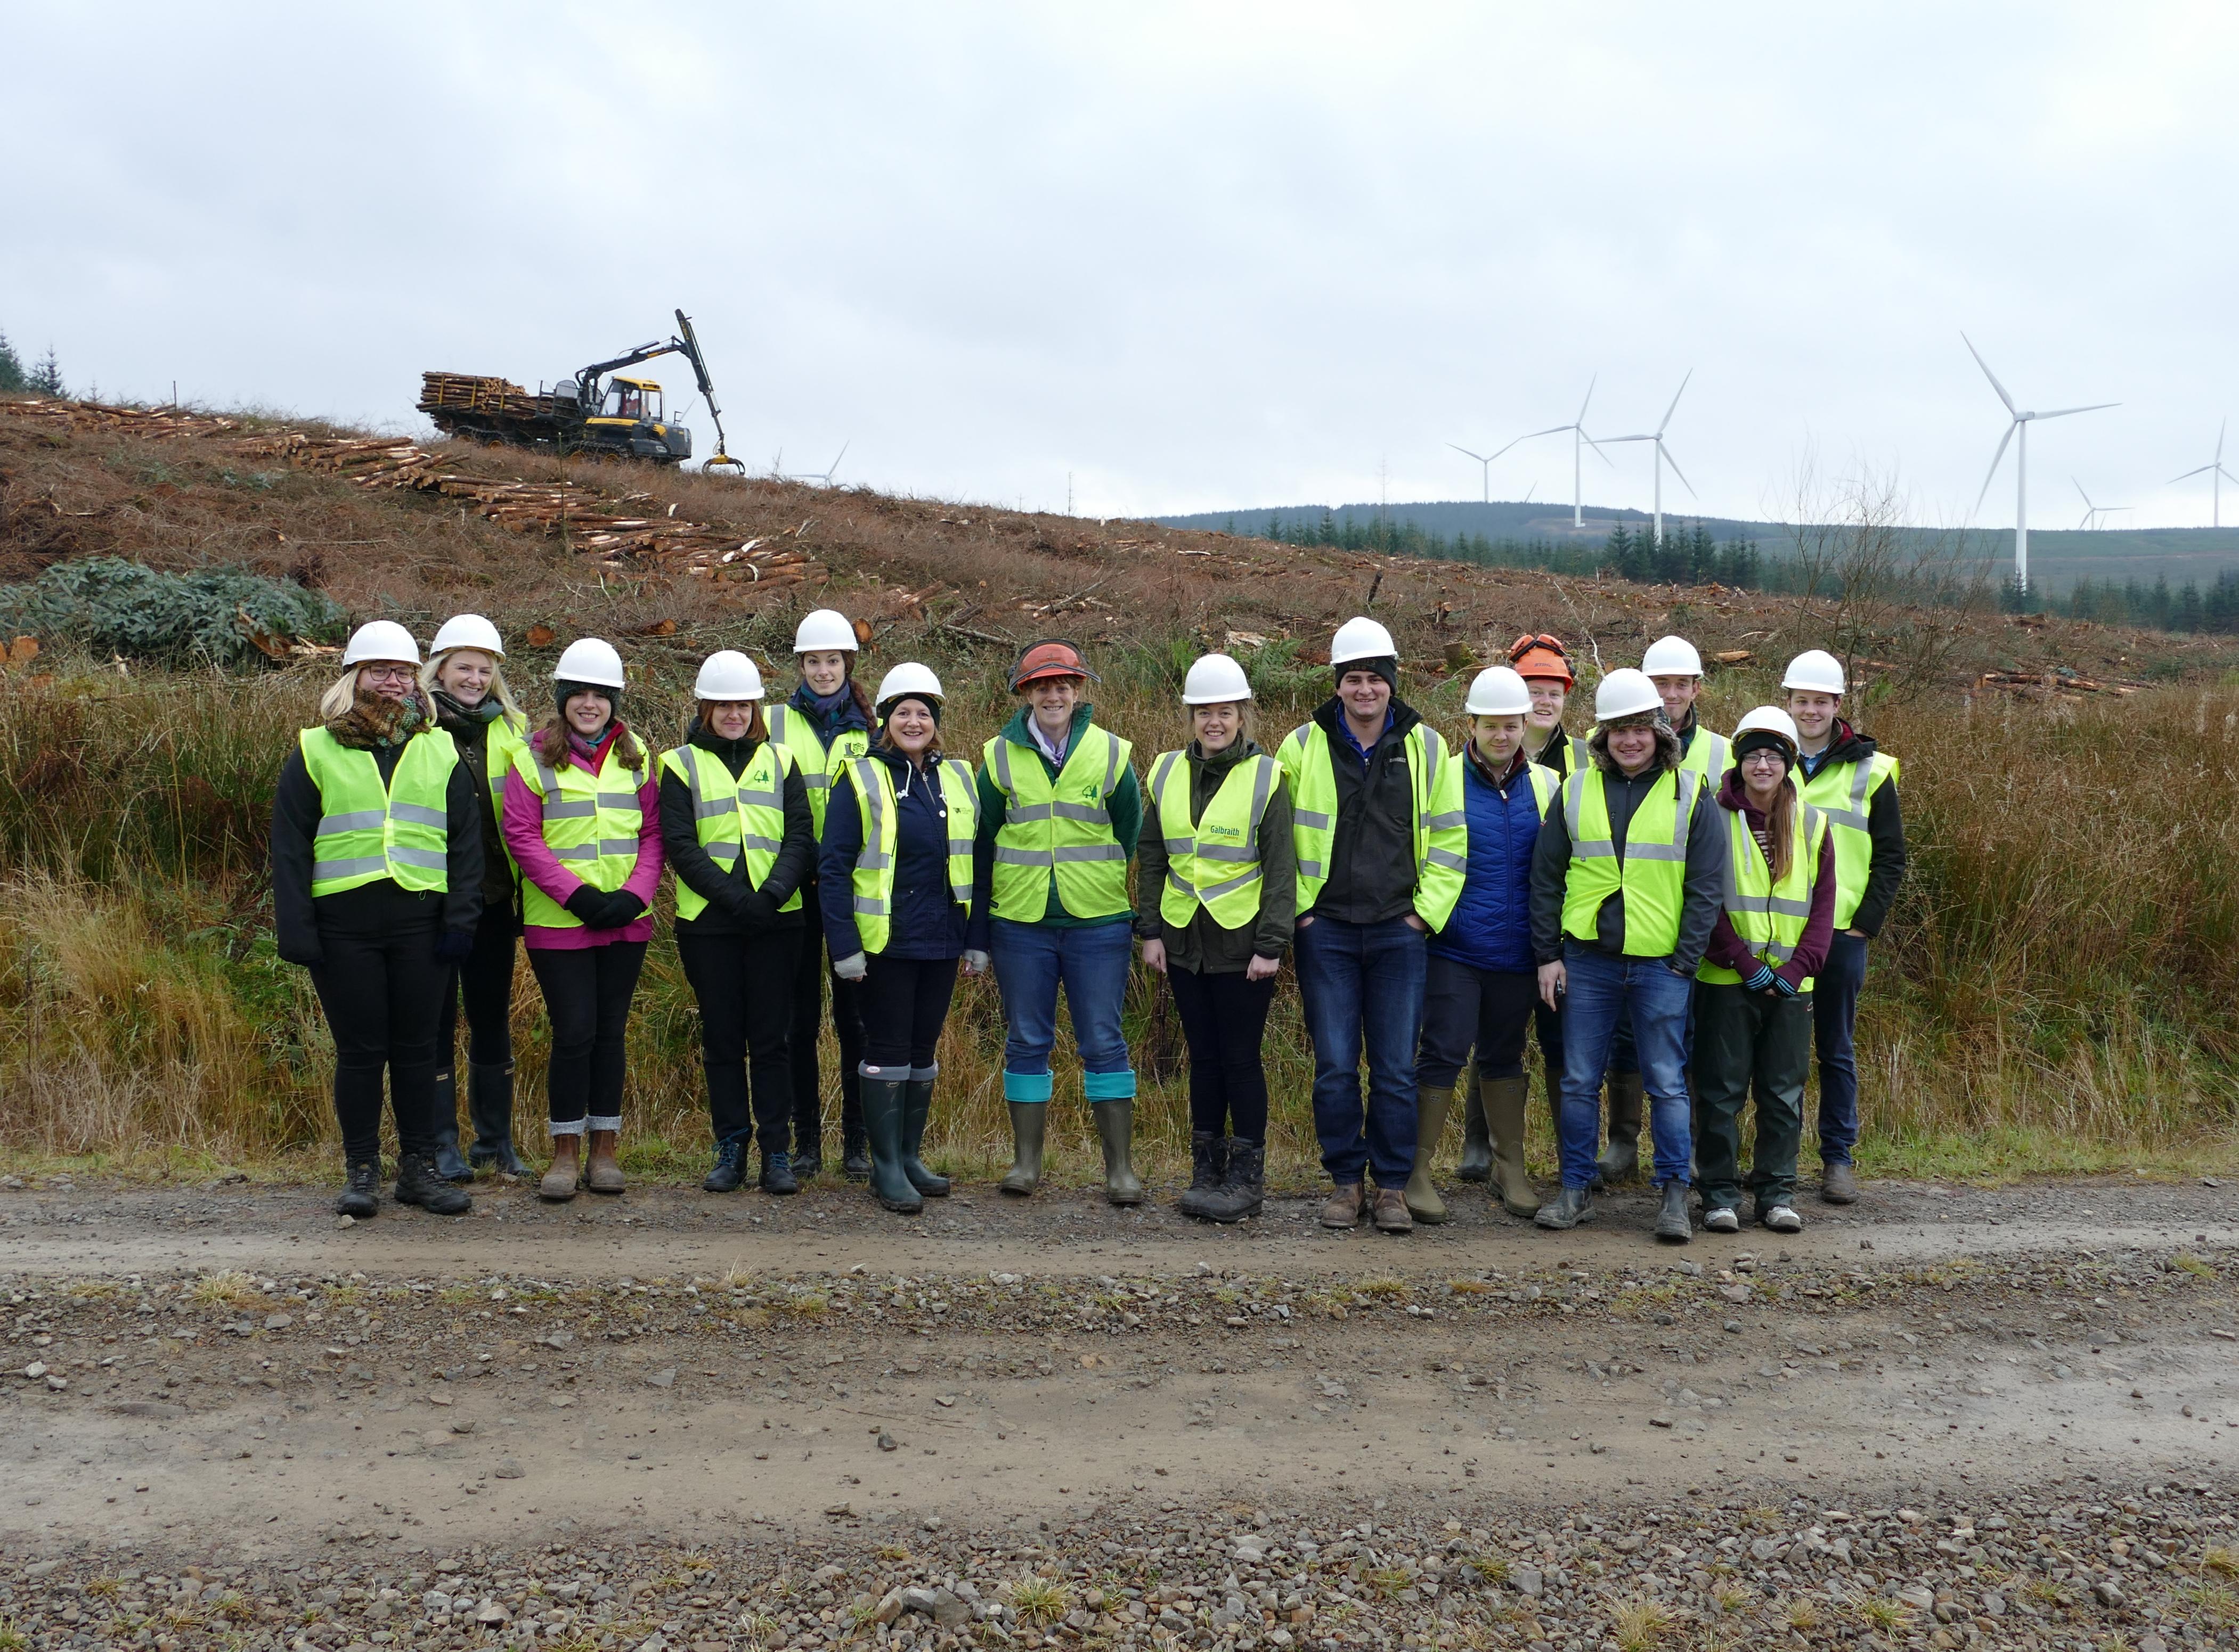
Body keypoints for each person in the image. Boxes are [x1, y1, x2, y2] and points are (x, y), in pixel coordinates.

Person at [270, 619, 481, 1218]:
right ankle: (361, 1171)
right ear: (354, 678)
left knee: (418, 1051)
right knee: (361, 1053)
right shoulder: (315, 749)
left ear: (417, 680)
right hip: (344, 930)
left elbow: (466, 846)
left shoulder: (438, 748)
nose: (392, 681)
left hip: (422, 923)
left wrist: (461, 921)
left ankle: (418, 1170)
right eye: (380, 670)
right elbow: (289, 848)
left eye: (402, 672)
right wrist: (298, 931)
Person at [1279, 616, 1465, 1235]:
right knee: (1334, 1065)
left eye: (1375, 680)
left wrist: (1423, 916)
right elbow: (1277, 838)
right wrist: (1300, 914)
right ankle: (1343, 1183)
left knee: (1393, 1068)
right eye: (1354, 679)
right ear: (1338, 685)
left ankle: (1390, 1187)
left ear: (1392, 683)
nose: (1365, 691)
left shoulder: (1427, 747)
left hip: (1398, 932)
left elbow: (1448, 841)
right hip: (1324, 930)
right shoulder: (1301, 746)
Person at [1528, 667, 1722, 1242]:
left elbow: (1706, 886)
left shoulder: (1691, 792)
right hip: (1587, 961)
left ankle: (1672, 1198)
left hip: (1663, 966)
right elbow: (1545, 879)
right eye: (1619, 730)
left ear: (1660, 733)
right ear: (1603, 738)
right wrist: (1549, 955)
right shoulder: (1576, 789)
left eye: (1641, 728)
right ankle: (1575, 1189)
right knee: (1579, 1080)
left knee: (1666, 1082)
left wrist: (1685, 961)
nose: (1630, 740)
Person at [972, 639, 1146, 1204]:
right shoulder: (997, 756)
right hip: (1021, 921)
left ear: (1079, 690)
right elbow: (985, 837)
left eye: (1064, 684)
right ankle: (1027, 1165)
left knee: (1103, 1039)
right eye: (1042, 685)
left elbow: (1129, 832)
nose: (1054, 693)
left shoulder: (1114, 753)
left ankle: (1118, 1169)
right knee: (1026, 1039)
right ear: (1025, 693)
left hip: (1097, 921)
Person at [1474, 632, 1644, 1196]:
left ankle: (1570, 1155)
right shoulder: (1482, 754)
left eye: (1554, 692)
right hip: (1498, 927)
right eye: (1533, 691)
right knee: (1494, 1038)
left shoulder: (1580, 759)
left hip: (1561, 932)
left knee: (1563, 1044)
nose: (1543, 701)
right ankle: (1487, 1150)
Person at [1135, 653, 1297, 1224]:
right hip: (1183, 942)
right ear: (1191, 717)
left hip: (1243, 943)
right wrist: (1150, 930)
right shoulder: (1164, 771)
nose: (1214, 723)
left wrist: (1271, 945)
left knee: (1240, 1060)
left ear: (1242, 716)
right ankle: (1206, 1170)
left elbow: (1281, 868)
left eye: (1225, 712)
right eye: (1204, 713)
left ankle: (1246, 1180)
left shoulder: (1268, 776)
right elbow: (1152, 856)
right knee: (1203, 1061)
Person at [502, 637, 664, 1202]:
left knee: (610, 1034)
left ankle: (605, 1152)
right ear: (563, 698)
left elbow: (652, 834)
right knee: (573, 1033)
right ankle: (565, 1154)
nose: (590, 704)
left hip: (625, 919)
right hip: (560, 921)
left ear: (614, 702)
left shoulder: (635, 754)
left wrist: (633, 895)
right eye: (580, 694)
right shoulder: (532, 756)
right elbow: (521, 835)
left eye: (601, 695)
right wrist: (577, 897)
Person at [823, 664, 984, 1215]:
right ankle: (885, 1166)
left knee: (922, 1052)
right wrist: (843, 947)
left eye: (923, 713)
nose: (913, 721)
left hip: (942, 941)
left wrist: (976, 938)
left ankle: (910, 1156)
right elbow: (835, 867)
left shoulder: (958, 778)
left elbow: (975, 864)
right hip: (883, 946)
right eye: (902, 712)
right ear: (885, 721)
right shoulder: (862, 778)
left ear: (935, 722)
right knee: (886, 1053)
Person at [659, 650, 815, 1195]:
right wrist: (735, 898)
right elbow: (680, 844)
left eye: (742, 704)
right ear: (705, 708)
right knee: (722, 1039)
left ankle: (777, 1150)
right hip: (710, 922)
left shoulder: (783, 759)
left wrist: (771, 894)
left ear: (756, 708)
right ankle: (731, 1148)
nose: (733, 714)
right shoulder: (677, 763)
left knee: (772, 1040)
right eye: (722, 704)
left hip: (778, 918)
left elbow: (801, 835)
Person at [1409, 665, 1556, 1224]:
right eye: (1492, 725)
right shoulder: (1440, 779)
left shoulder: (1546, 786)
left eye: (1512, 725)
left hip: (1518, 955)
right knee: (1441, 1054)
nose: (1502, 736)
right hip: (1456, 949)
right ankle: (1418, 1170)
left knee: (1505, 1056)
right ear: (1471, 723)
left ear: (1526, 725)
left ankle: (1508, 1168)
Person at [1694, 707, 1836, 1235]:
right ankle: (1719, 1194)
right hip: (1728, 982)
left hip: (1792, 989)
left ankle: (1776, 1193)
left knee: (1782, 1093)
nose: (1762, 765)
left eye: (1772, 756)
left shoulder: (1813, 823)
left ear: (1787, 764)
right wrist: (1744, 963)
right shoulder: (1712, 815)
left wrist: (1797, 970)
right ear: (1740, 761)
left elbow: (1823, 910)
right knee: (1720, 1092)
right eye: (1752, 754)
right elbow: (1705, 901)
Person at [1783, 649, 1906, 1206]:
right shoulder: (1766, 758)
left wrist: (1865, 925)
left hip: (1839, 934)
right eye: (1801, 700)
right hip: (1777, 931)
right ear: (1788, 702)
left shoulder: (1872, 771)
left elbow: (1891, 857)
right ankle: (1773, 1161)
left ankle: (1837, 1160)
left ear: (1838, 704)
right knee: (1774, 1054)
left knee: (1835, 1049)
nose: (1810, 710)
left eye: (1820, 701)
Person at [766, 609, 875, 1180]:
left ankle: (857, 1143)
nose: (824, 670)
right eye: (814, 661)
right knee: (798, 1024)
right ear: (801, 665)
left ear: (847, 664)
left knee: (855, 1025)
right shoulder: (772, 722)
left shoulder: (874, 728)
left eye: (833, 660)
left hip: (853, 893)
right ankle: (805, 1141)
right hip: (791, 892)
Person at [421, 613, 531, 1181]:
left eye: (484, 670)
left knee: (491, 1018)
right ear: (440, 670)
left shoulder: (513, 729)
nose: (475, 678)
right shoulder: (416, 725)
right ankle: (441, 1145)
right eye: (464, 667)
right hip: (432, 900)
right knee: (437, 1021)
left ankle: (495, 1143)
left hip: (493, 898)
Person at [1641, 635, 1732, 781]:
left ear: (1695, 690)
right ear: (1646, 686)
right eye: (1663, 684)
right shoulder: (1603, 743)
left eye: (1681, 685)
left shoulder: (1725, 751)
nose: (1672, 695)